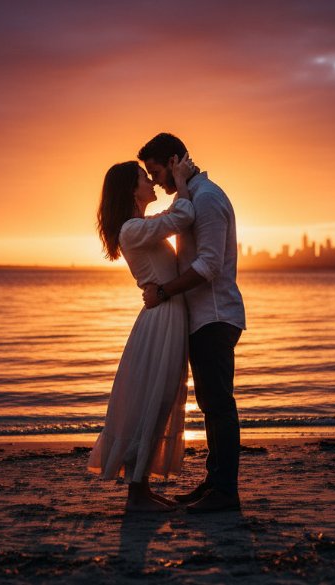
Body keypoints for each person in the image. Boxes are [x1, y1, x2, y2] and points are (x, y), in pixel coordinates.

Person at [139, 133, 246, 514]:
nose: (155, 182)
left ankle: (225, 492)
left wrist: (164, 291)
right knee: (210, 403)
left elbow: (209, 265)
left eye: (156, 172)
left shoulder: (208, 198)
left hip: (215, 315)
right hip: (202, 318)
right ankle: (215, 483)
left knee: (218, 405)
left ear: (173, 161)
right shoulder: (191, 196)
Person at [87, 154, 198, 513]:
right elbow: (182, 217)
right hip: (161, 318)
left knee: (160, 399)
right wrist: (182, 180)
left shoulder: (140, 225)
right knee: (155, 398)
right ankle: (137, 492)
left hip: (165, 314)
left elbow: (172, 216)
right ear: (131, 190)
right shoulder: (132, 230)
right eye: (143, 177)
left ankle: (142, 487)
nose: (151, 182)